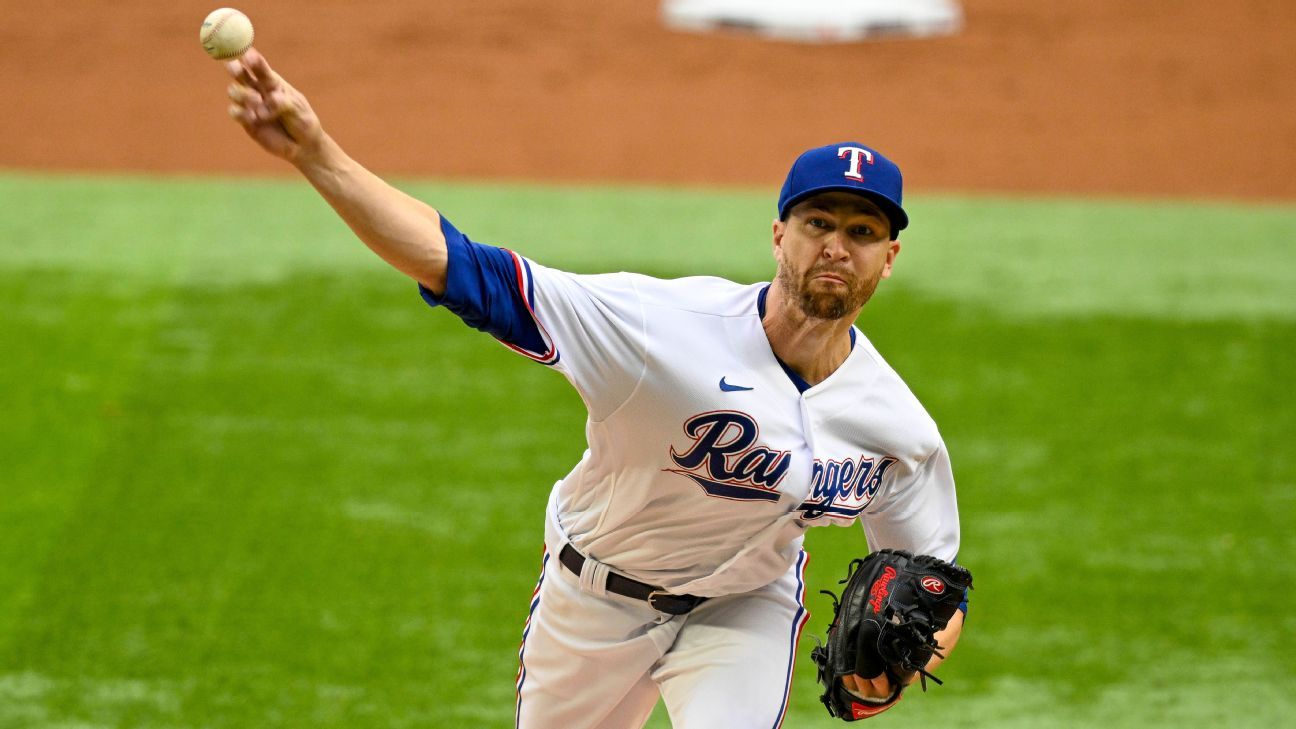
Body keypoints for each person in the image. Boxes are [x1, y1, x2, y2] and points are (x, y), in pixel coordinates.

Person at [221, 48, 965, 728]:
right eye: (819, 221)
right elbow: (463, 268)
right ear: (780, 235)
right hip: (594, 600)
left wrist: (901, 666)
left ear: (889, 257)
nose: (837, 244)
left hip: (745, 608)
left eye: (863, 232)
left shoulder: (897, 427)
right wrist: (318, 155)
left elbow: (933, 585)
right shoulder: (660, 330)